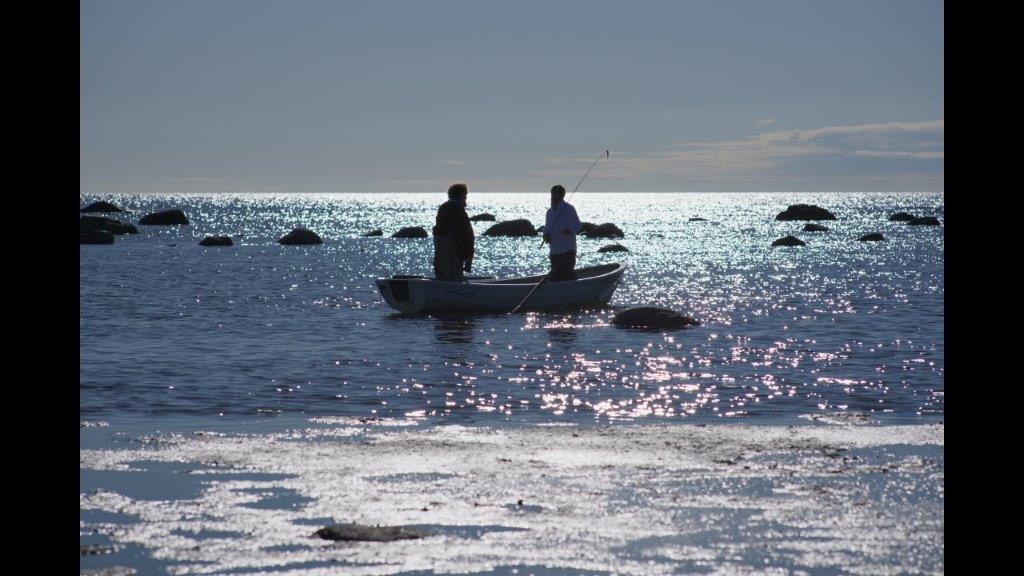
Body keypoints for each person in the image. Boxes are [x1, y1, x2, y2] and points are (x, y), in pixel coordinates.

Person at [432, 183, 474, 280]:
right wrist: (468, 260)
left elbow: (439, 231)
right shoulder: (458, 211)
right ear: (461, 195)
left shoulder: (442, 208)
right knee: (454, 280)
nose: (466, 199)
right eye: (465, 196)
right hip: (452, 256)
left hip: (439, 256)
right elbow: (467, 236)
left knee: (441, 279)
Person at [542, 184, 582, 282]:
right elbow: (547, 229)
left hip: (568, 250)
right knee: (555, 279)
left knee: (567, 275)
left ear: (562, 195)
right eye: (552, 194)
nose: (553, 196)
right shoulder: (549, 212)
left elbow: (578, 225)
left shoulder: (569, 209)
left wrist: (570, 230)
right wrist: (545, 236)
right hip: (554, 251)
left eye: (556, 194)